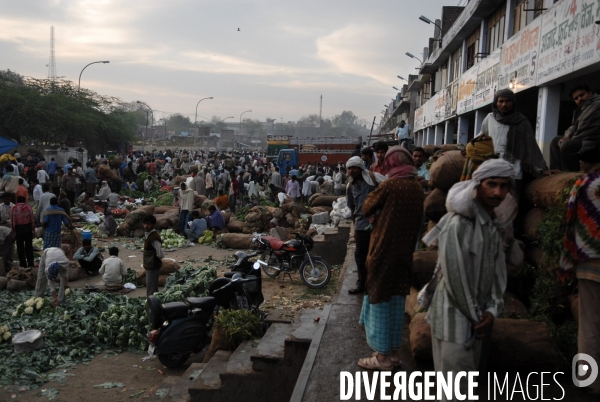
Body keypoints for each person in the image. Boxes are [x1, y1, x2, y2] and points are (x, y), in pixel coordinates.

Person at [424, 159, 520, 392]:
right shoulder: (459, 225)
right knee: (454, 392)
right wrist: (478, 317)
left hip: (479, 318)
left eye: (503, 185)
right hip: (454, 320)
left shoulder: (493, 226)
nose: (497, 192)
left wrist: (492, 309)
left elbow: (498, 272)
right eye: (491, 184)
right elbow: (455, 278)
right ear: (477, 187)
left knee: (468, 388)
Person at [357, 146, 424, 370]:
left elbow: (366, 206)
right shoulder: (417, 187)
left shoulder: (390, 185)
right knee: (396, 302)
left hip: (383, 252)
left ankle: (382, 358)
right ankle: (393, 354)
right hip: (404, 253)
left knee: (379, 300)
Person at [559, 147, 600, 396]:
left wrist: (567, 257)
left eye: (583, 159)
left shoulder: (584, 184)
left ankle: (589, 381)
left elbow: (570, 219)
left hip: (590, 261)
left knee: (590, 325)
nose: (581, 163)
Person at [480, 89, 554, 194]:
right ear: (496, 103)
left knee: (512, 204)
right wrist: (468, 148)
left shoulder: (522, 122)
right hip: (492, 169)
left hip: (513, 172)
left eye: (507, 101)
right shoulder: (490, 118)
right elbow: (481, 138)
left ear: (513, 103)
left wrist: (542, 169)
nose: (504, 104)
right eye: (501, 101)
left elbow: (531, 147)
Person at [346, 156, 378, 294]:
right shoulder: (350, 186)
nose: (351, 171)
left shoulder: (373, 180)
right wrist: (354, 227)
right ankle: (362, 283)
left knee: (376, 254)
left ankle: (375, 282)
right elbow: (352, 207)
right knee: (360, 255)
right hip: (360, 224)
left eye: (354, 168)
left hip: (376, 223)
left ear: (360, 168)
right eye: (349, 168)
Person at [550, 84, 600, 172]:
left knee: (566, 145)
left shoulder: (597, 105)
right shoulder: (581, 109)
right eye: (576, 98)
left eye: (582, 95)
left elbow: (586, 127)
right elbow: (573, 127)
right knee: (555, 141)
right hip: (582, 140)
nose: (579, 99)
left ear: (590, 93)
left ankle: (572, 174)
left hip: (594, 143)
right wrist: (568, 135)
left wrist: (570, 139)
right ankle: (556, 171)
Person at [142, 215, 164, 297]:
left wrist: (153, 259)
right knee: (151, 287)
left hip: (153, 266)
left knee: (151, 289)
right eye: (144, 223)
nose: (146, 226)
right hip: (150, 266)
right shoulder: (148, 235)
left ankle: (152, 305)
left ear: (153, 225)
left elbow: (160, 254)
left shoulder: (154, 238)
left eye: (148, 224)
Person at [11, 195, 34, 268]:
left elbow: (13, 221)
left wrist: (13, 232)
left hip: (19, 229)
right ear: (24, 200)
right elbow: (32, 220)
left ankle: (23, 264)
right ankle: (31, 264)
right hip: (28, 228)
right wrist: (33, 229)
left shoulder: (14, 208)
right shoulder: (29, 207)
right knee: (29, 247)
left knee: (20, 248)